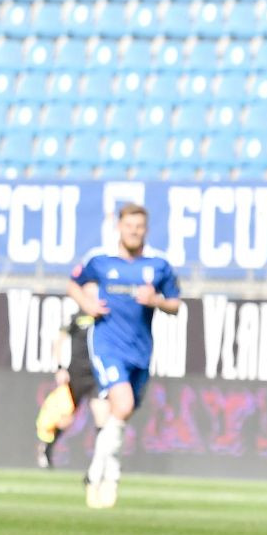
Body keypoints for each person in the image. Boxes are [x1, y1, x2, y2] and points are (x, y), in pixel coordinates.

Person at [67, 203, 180, 508]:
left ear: (146, 229)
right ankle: (111, 476)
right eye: (129, 225)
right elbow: (73, 283)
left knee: (121, 413)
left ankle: (95, 472)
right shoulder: (100, 260)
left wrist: (155, 299)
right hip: (106, 344)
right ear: (119, 226)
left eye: (139, 226)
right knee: (123, 403)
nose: (134, 231)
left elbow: (175, 304)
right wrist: (87, 304)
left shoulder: (158, 264)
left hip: (140, 351)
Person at [34, 300, 107, 468]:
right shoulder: (78, 317)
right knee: (66, 418)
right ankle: (47, 448)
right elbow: (59, 340)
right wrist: (60, 367)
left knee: (101, 416)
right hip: (76, 374)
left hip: (97, 374)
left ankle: (102, 459)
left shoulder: (106, 318)